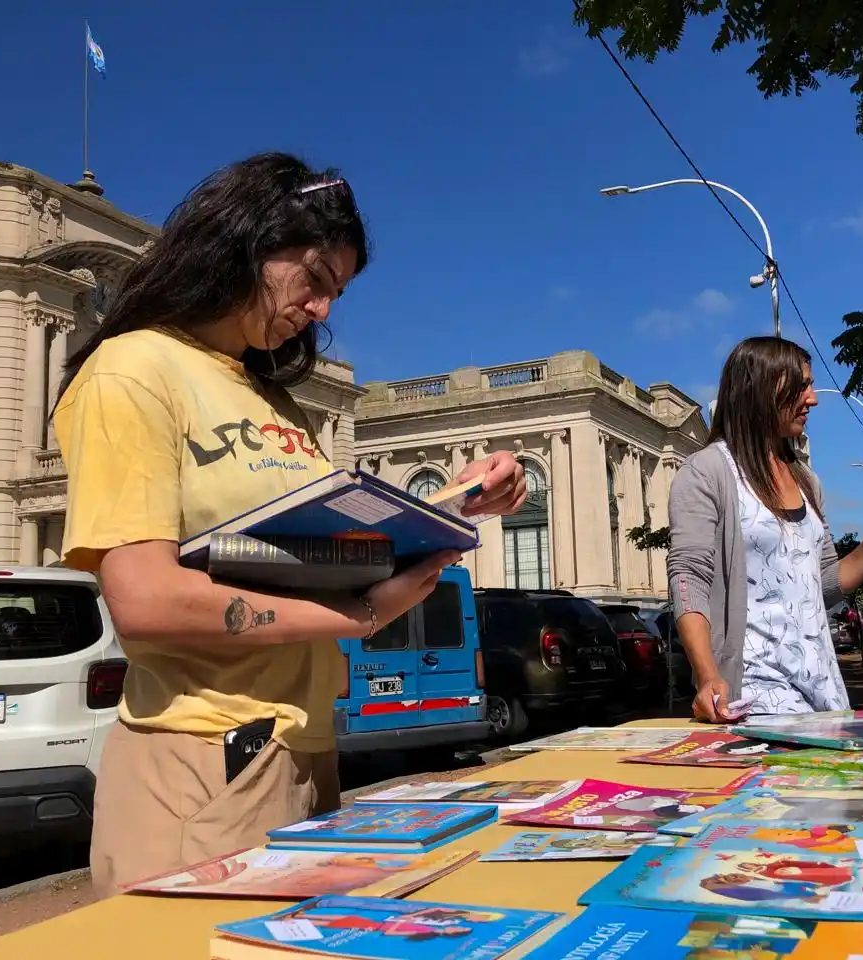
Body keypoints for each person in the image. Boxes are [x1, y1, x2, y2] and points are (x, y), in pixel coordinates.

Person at [53, 153, 526, 896]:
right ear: (244, 242)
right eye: (313, 279)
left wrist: (459, 500)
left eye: (336, 292)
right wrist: (355, 612)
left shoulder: (276, 402)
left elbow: (318, 548)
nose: (323, 310)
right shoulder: (132, 369)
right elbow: (144, 601)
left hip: (305, 751)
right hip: (205, 753)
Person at [667, 336, 863, 722]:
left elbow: (822, 584)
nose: (813, 398)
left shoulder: (806, 480)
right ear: (760, 389)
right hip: (755, 693)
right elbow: (689, 578)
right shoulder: (708, 471)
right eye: (801, 385)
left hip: (823, 691)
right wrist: (708, 677)